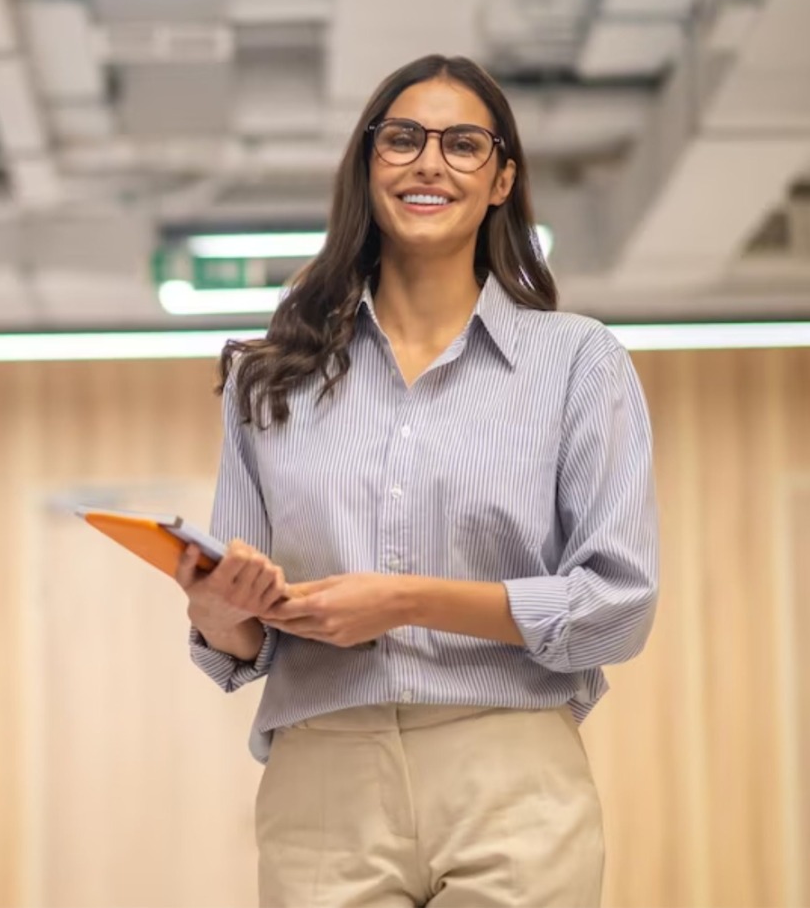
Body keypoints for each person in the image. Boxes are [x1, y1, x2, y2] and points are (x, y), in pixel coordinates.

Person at [172, 54, 659, 908]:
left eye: (463, 144)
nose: (428, 162)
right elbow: (249, 635)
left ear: (502, 177)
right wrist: (219, 614)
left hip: (509, 769)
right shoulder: (268, 378)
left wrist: (403, 600)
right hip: (324, 776)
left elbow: (617, 605)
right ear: (369, 164)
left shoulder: (580, 362)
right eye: (402, 138)